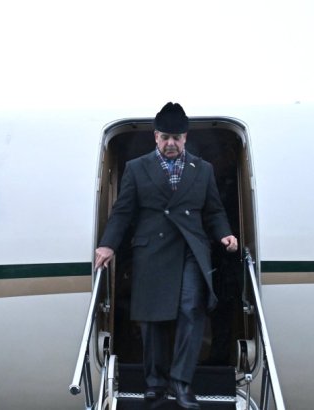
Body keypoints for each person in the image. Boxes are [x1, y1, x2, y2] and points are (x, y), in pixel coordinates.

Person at [94, 102, 238, 410]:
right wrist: (108, 245)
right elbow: (122, 211)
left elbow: (213, 210)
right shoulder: (136, 168)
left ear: (185, 138)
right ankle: (155, 384)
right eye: (165, 137)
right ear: (155, 137)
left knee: (191, 309)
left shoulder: (203, 169)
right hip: (152, 252)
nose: (170, 143)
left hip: (190, 249)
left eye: (176, 138)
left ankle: (181, 382)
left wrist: (224, 233)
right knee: (153, 319)